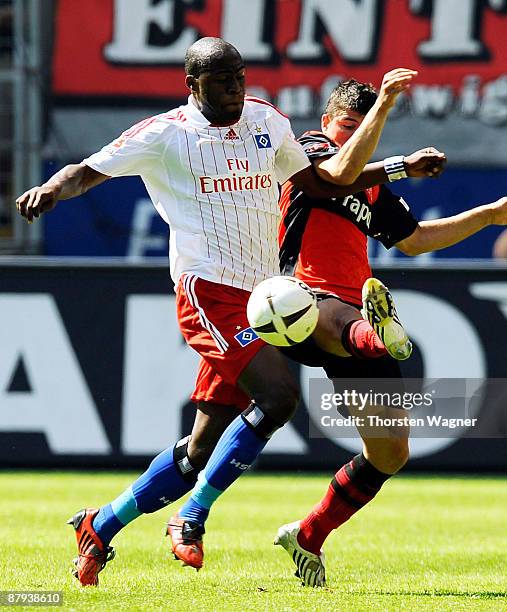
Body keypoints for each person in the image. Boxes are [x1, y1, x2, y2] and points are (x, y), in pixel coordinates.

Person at [16, 38, 422, 586]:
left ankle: (100, 524)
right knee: (277, 396)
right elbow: (87, 170)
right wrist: (49, 188)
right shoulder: (164, 136)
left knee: (197, 449)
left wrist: (397, 169)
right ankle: (193, 516)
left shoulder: (266, 121)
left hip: (264, 296)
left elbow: (322, 182)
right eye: (222, 79)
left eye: (239, 75)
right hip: (209, 292)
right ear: (193, 86)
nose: (236, 86)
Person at [159, 82, 507, 585]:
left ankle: (308, 535)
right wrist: (385, 107)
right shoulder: (309, 154)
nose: (351, 139)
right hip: (289, 299)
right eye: (347, 127)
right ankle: (378, 335)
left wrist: (490, 216)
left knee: (390, 451)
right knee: (331, 317)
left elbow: (416, 240)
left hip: (344, 313)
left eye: (362, 131)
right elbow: (337, 172)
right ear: (326, 122)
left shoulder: (373, 188)